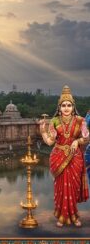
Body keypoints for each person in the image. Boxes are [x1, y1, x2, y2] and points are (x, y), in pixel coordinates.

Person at [40, 85, 89, 227]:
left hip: (75, 158)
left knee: (73, 189)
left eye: (69, 105)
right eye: (63, 105)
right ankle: (62, 215)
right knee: (61, 188)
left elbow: (86, 138)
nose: (66, 108)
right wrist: (43, 132)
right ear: (59, 107)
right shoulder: (54, 121)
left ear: (73, 107)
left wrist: (77, 141)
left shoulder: (81, 121)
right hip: (58, 157)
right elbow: (50, 141)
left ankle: (74, 215)